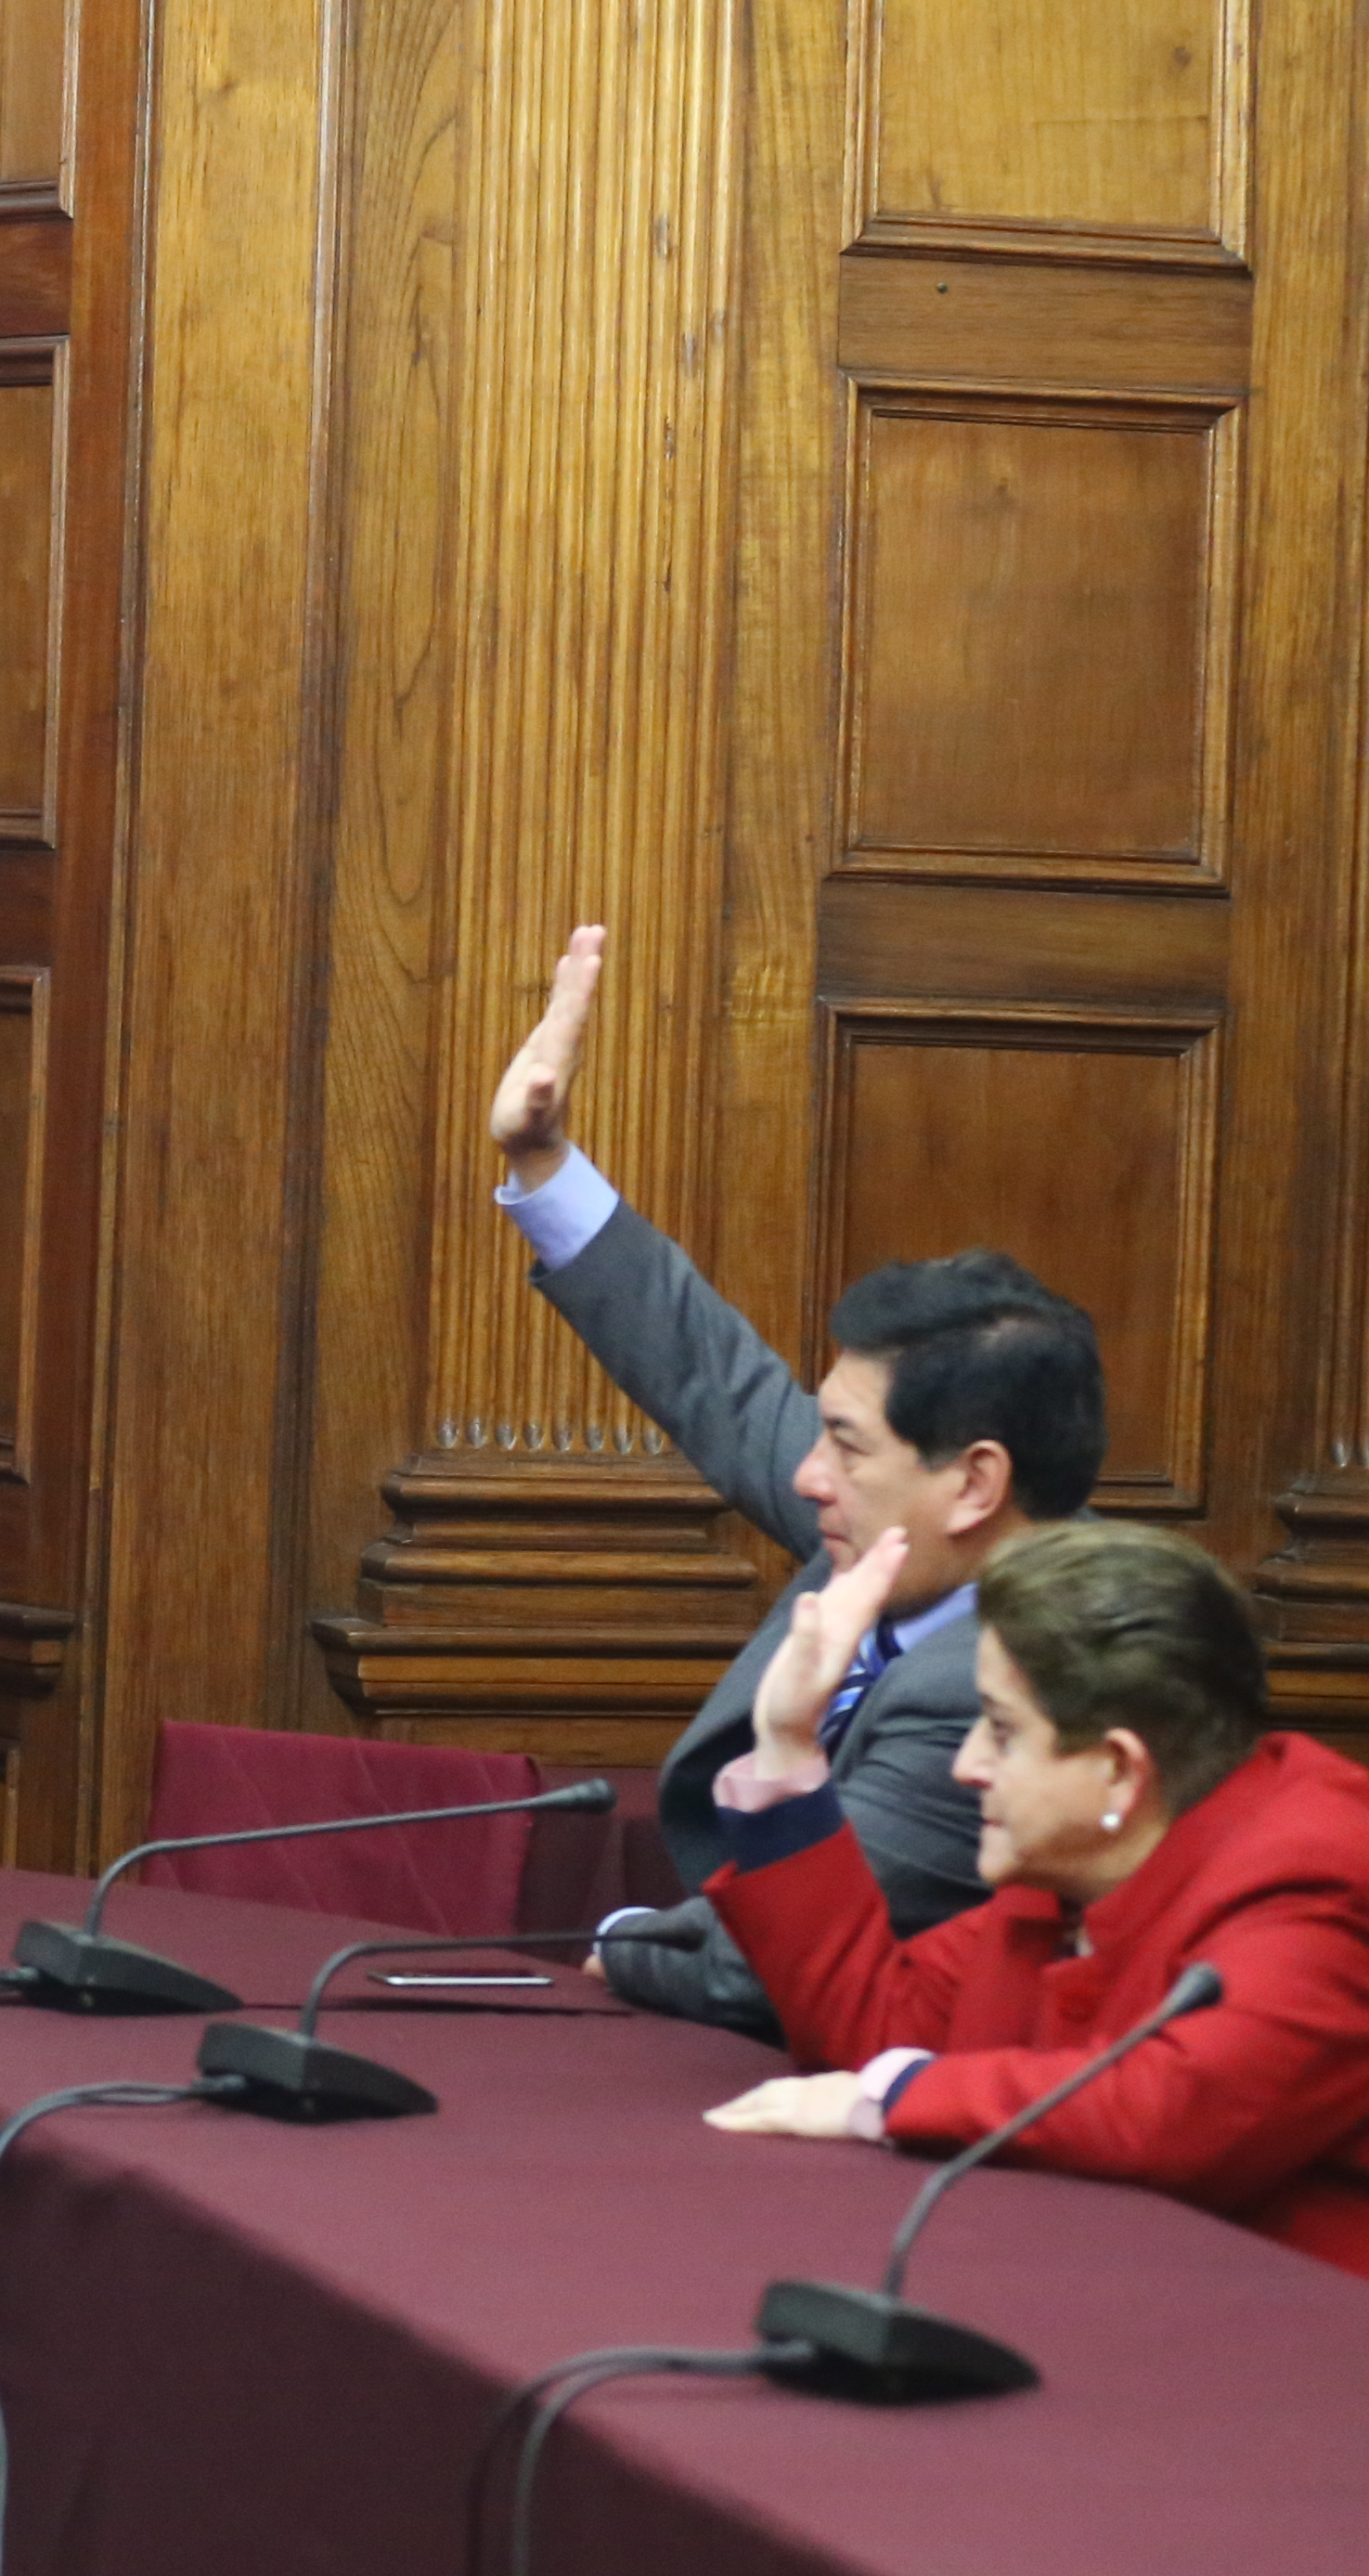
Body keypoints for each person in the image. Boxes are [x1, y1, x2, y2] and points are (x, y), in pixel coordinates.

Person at [484, 922, 1105, 2029]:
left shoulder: (1012, 1682)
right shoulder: (908, 1530)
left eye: (846, 1446)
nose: (805, 1476)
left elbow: (761, 1967)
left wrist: (627, 1943)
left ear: (975, 1482)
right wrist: (544, 1165)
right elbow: (714, 1381)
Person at [695, 1519, 1369, 2276]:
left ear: (1118, 1769)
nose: (966, 1764)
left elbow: (1171, 2114)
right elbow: (878, 2029)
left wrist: (892, 2096)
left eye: (1003, 1731)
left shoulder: (1314, 1876)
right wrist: (788, 1745)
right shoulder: (1066, 1882)